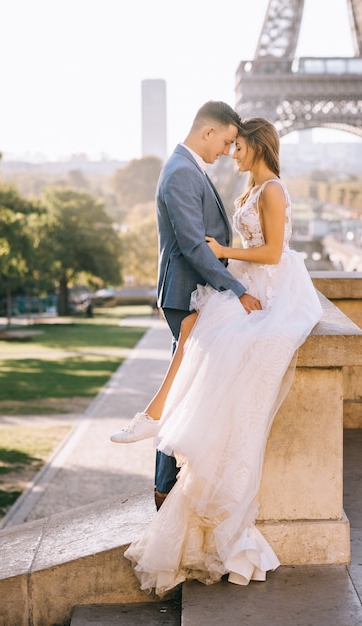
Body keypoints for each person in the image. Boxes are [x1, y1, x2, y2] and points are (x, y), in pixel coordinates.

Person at [111, 117, 323, 596]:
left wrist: (223, 251)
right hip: (249, 283)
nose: (231, 152)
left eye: (237, 145)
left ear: (255, 143)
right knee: (194, 330)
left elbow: (271, 251)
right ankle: (157, 417)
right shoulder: (252, 185)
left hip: (267, 288)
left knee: (201, 335)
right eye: (227, 143)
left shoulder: (271, 189)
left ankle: (156, 419)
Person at [110, 101, 262, 511]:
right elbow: (194, 245)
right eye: (228, 141)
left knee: (185, 386)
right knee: (181, 391)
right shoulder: (180, 171)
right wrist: (235, 289)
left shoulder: (187, 167)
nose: (229, 151)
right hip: (187, 293)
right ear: (208, 132)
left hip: (194, 292)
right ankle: (165, 488)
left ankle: (170, 484)